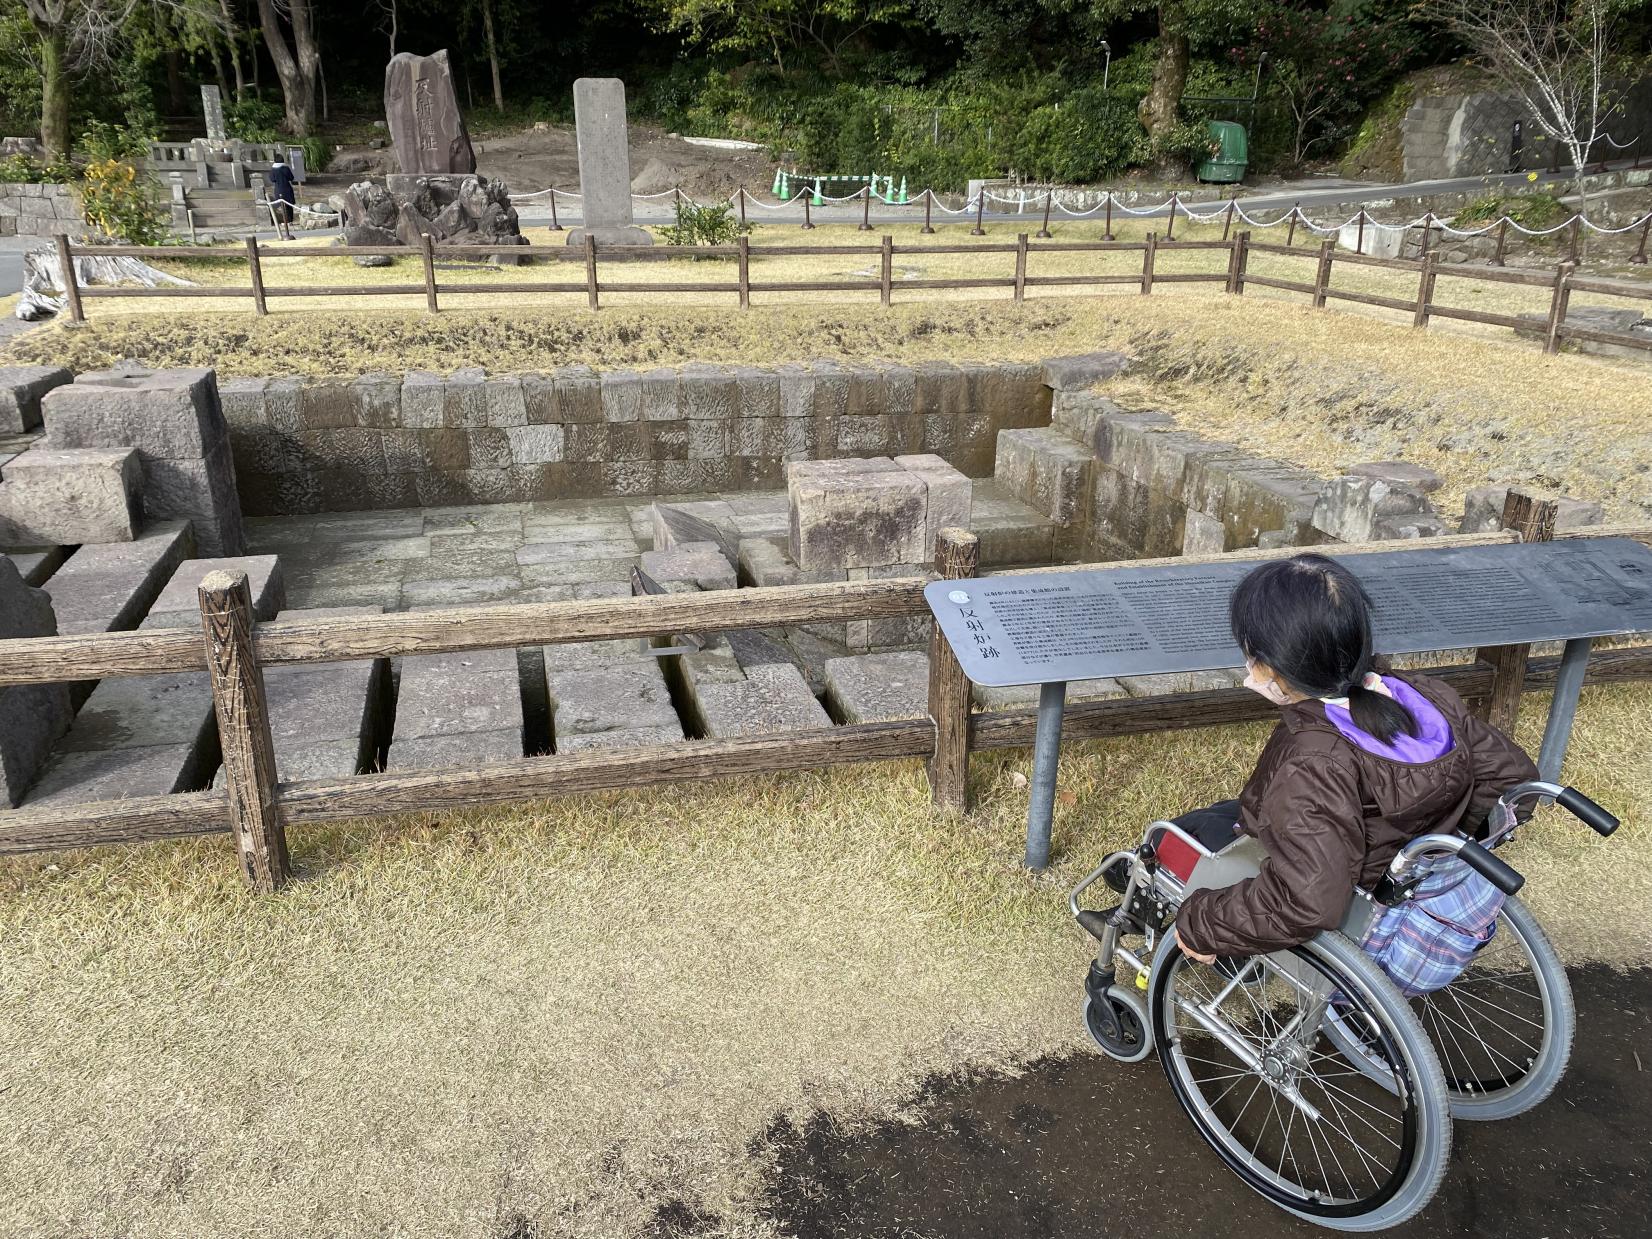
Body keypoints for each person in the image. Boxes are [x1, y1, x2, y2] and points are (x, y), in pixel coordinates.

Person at [1168, 553, 1538, 965]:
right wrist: (1429, 845)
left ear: (1274, 667)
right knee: (1227, 812)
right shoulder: (1419, 696)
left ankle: (1143, 907)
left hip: (1348, 896)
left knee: (1175, 837)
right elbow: (1511, 778)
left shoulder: (1314, 760)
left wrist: (1200, 925)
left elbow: (1307, 898)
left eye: (1252, 653)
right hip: (1382, 865)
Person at [268, 157, 298, 241]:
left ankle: (285, 221)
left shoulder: (273, 169)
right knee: (289, 205)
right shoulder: (285, 168)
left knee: (281, 205)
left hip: (278, 189)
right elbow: (291, 177)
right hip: (287, 188)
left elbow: (272, 179)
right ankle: (290, 220)